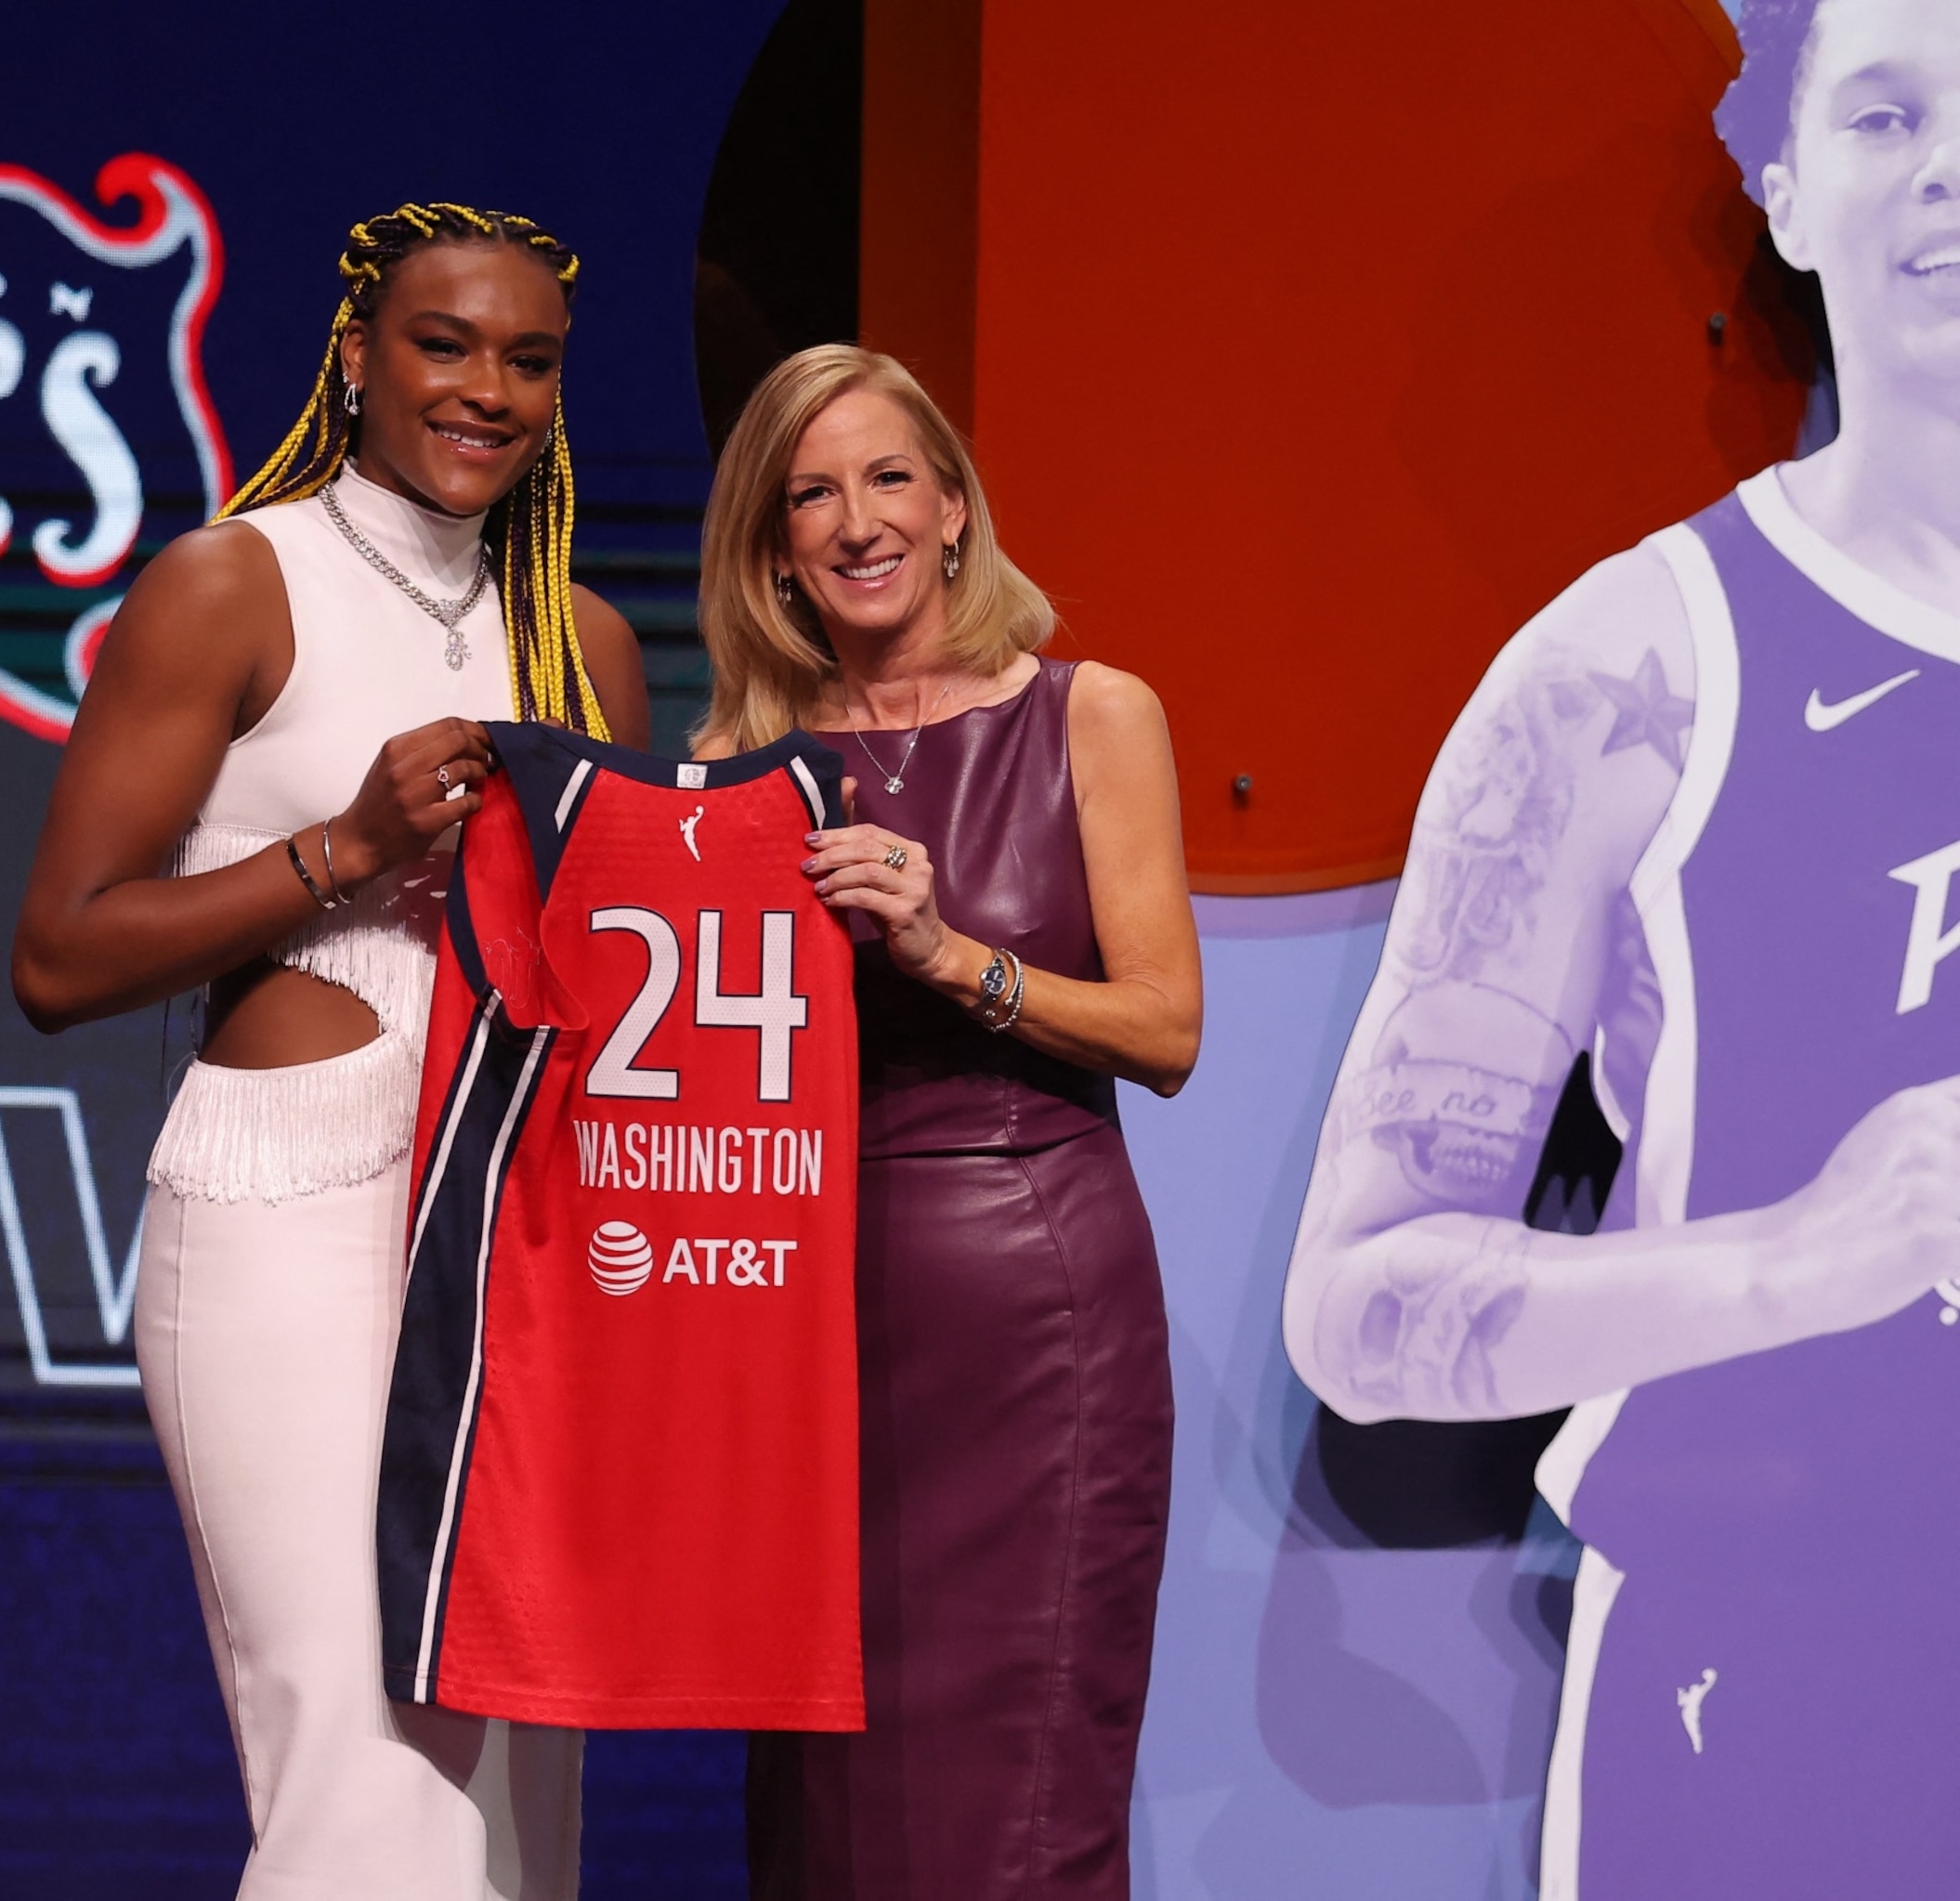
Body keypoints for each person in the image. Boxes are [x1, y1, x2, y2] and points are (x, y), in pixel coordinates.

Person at [1280, 0, 1960, 1892]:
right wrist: (1814, 1256)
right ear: (1788, 187)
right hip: (1783, 1696)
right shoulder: (1633, 669)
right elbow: (1362, 1306)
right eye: (1894, 111)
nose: (1955, 167)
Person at [10, 202, 648, 1900]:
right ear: (358, 354)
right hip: (293, 1202)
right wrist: (345, 853)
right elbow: (60, 954)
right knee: (368, 1761)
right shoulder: (236, 579)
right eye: (445, 344)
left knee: (518, 1779)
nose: (487, 389)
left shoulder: (583, 645)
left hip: (511, 1225)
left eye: (531, 361)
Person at [702, 345, 1202, 1900]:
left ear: (957, 509)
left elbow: (1167, 1032)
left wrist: (950, 958)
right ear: (776, 550)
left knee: (1024, 1797)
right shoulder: (731, 772)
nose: (857, 521)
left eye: (888, 477)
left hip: (1038, 1310)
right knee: (825, 1808)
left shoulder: (1091, 714)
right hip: (812, 1319)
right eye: (812, 494)